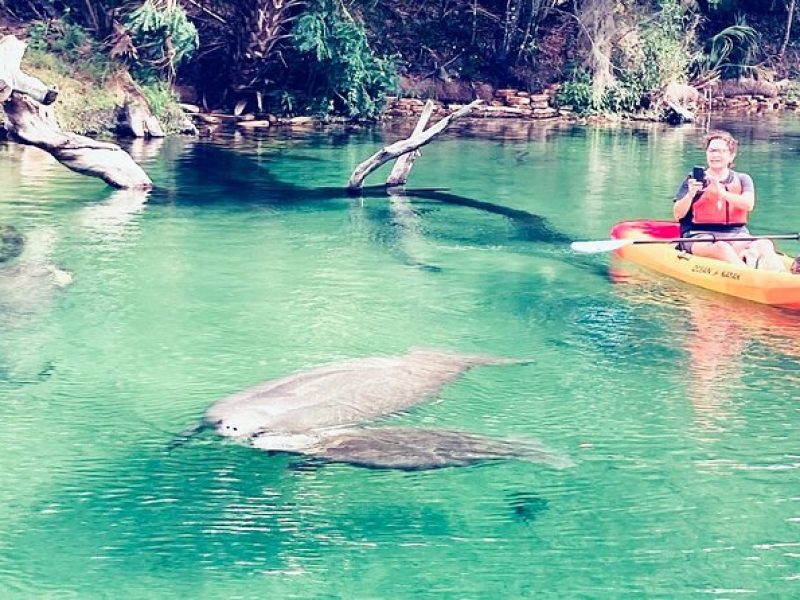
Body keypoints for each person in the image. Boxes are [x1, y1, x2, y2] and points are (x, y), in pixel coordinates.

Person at [672, 130, 786, 271]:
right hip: (699, 235)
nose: (715, 155)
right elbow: (678, 215)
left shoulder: (743, 179)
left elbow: (748, 204)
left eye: (721, 151)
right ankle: (749, 275)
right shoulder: (694, 180)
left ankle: (781, 276)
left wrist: (722, 193)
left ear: (731, 156)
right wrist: (690, 194)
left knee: (765, 244)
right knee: (722, 248)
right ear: (706, 154)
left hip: (736, 234)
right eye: (712, 150)